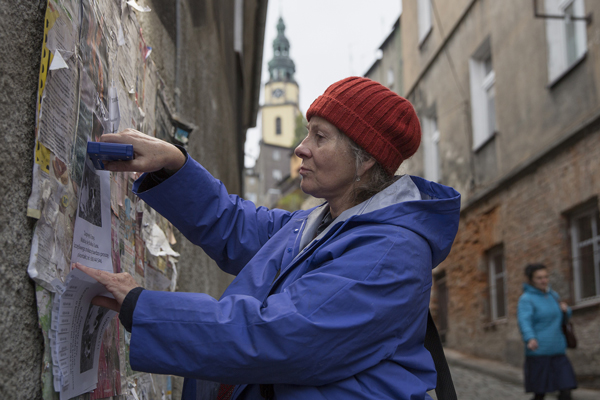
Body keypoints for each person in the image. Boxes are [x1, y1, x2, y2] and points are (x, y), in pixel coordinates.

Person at [76, 76, 461, 400]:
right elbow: (236, 225)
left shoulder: (390, 252)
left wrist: (143, 309)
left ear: (365, 159)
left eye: (320, 137)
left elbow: (283, 336)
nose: (301, 147)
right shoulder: (323, 222)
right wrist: (173, 165)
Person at [517, 263, 577, 400]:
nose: (544, 280)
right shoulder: (526, 299)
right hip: (539, 351)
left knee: (566, 390)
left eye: (545, 277)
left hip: (558, 350)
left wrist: (566, 310)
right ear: (531, 280)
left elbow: (562, 317)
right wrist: (530, 338)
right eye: (539, 278)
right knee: (540, 393)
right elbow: (524, 321)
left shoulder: (553, 295)